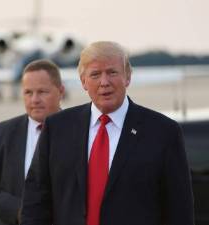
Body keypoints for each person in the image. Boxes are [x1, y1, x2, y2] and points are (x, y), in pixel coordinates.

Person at [21, 41, 194, 225]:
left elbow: (179, 210)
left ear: (127, 77)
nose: (104, 82)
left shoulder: (163, 132)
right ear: (83, 82)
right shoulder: (57, 128)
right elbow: (35, 202)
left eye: (112, 72)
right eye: (95, 74)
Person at [0, 59, 65, 225]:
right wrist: (20, 210)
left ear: (61, 92)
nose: (34, 100)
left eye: (42, 92)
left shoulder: (81, 132)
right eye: (28, 92)